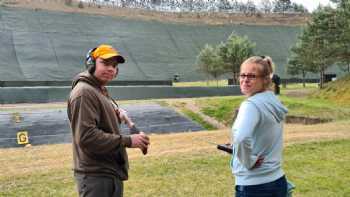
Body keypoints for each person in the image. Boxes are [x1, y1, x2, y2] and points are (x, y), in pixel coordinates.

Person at [67, 44, 150, 197]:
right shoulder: (84, 93)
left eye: (114, 65)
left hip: (108, 173)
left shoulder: (99, 89)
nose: (111, 69)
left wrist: (117, 115)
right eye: (105, 63)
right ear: (91, 64)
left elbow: (100, 121)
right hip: (97, 176)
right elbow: (87, 137)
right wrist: (128, 141)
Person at [231, 56, 288, 197]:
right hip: (277, 180)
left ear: (265, 80)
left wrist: (249, 161)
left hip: (254, 186)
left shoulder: (250, 105)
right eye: (243, 75)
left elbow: (241, 138)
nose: (245, 79)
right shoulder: (272, 100)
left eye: (252, 76)